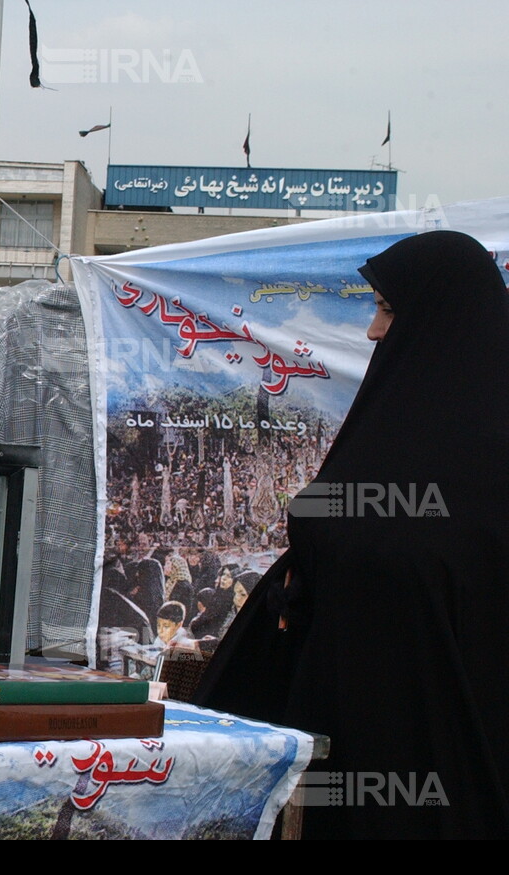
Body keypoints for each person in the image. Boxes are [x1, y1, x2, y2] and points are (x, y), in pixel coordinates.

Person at [195, 230, 509, 839]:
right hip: (350, 752)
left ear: (437, 316)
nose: (373, 331)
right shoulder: (394, 436)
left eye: (388, 308)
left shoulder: (485, 458)